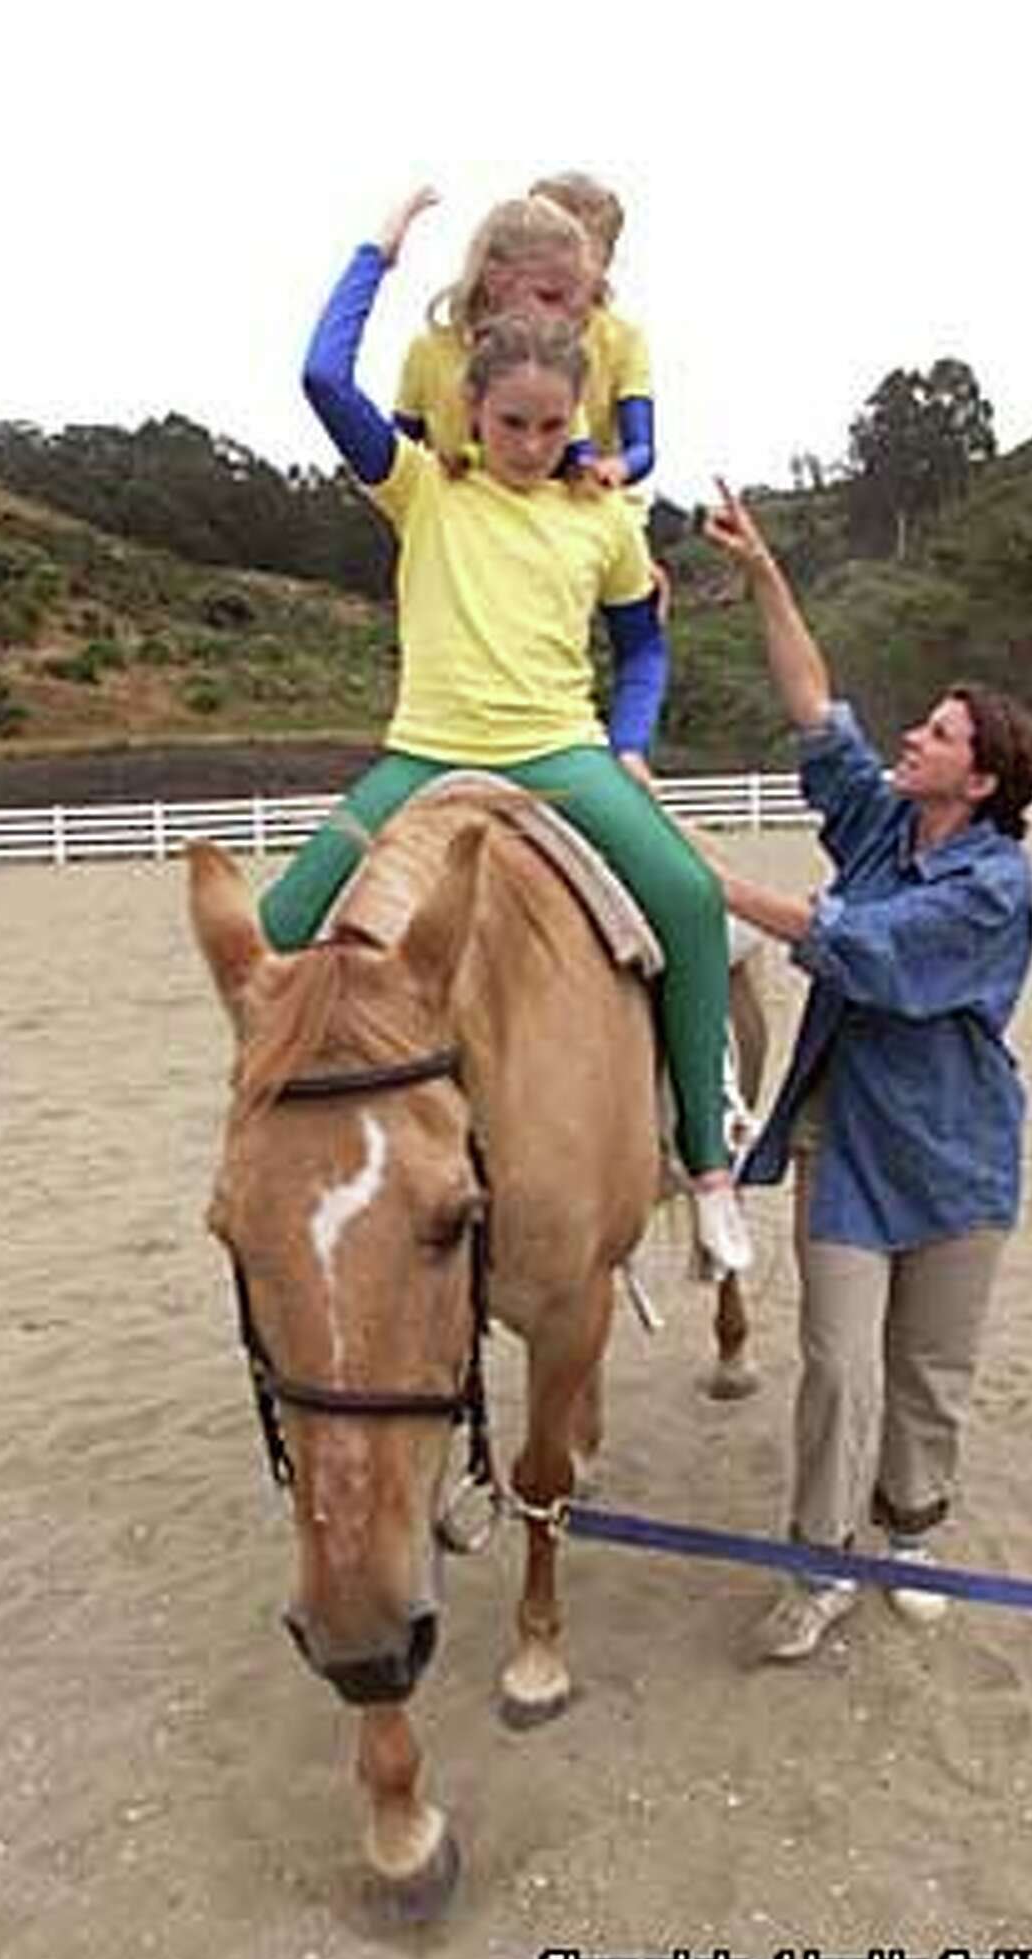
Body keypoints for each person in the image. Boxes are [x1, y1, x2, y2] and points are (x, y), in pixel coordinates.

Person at [258, 190, 750, 1278]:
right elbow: (321, 380)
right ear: (473, 407)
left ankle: (709, 1168)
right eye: (511, 421)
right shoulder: (423, 488)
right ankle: (283, 1138)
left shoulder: (603, 520)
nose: (532, 443)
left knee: (692, 897)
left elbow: (646, 646)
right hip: (424, 755)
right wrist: (375, 251)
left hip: (559, 758)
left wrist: (627, 737)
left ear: (579, 410)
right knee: (277, 925)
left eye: (551, 424)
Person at [696, 485, 1032, 1659]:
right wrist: (765, 575)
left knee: (928, 1370)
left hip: (958, 1151)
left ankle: (912, 1533)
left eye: (938, 735)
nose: (911, 737)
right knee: (839, 1366)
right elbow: (816, 707)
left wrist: (711, 882)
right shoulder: (886, 826)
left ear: (982, 778)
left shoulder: (996, 887)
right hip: (843, 1139)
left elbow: (868, 949)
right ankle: (821, 1561)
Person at [393, 192, 595, 472]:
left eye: (572, 302)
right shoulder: (429, 352)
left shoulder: (554, 367)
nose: (560, 318)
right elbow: (397, 451)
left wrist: (597, 471)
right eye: (548, 297)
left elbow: (579, 457)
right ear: (494, 279)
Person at [528, 171, 655, 506]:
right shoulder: (499, 332)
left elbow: (642, 449)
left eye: (576, 251)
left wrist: (617, 467)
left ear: (605, 261)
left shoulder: (624, 340)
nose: (558, 264)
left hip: (594, 503)